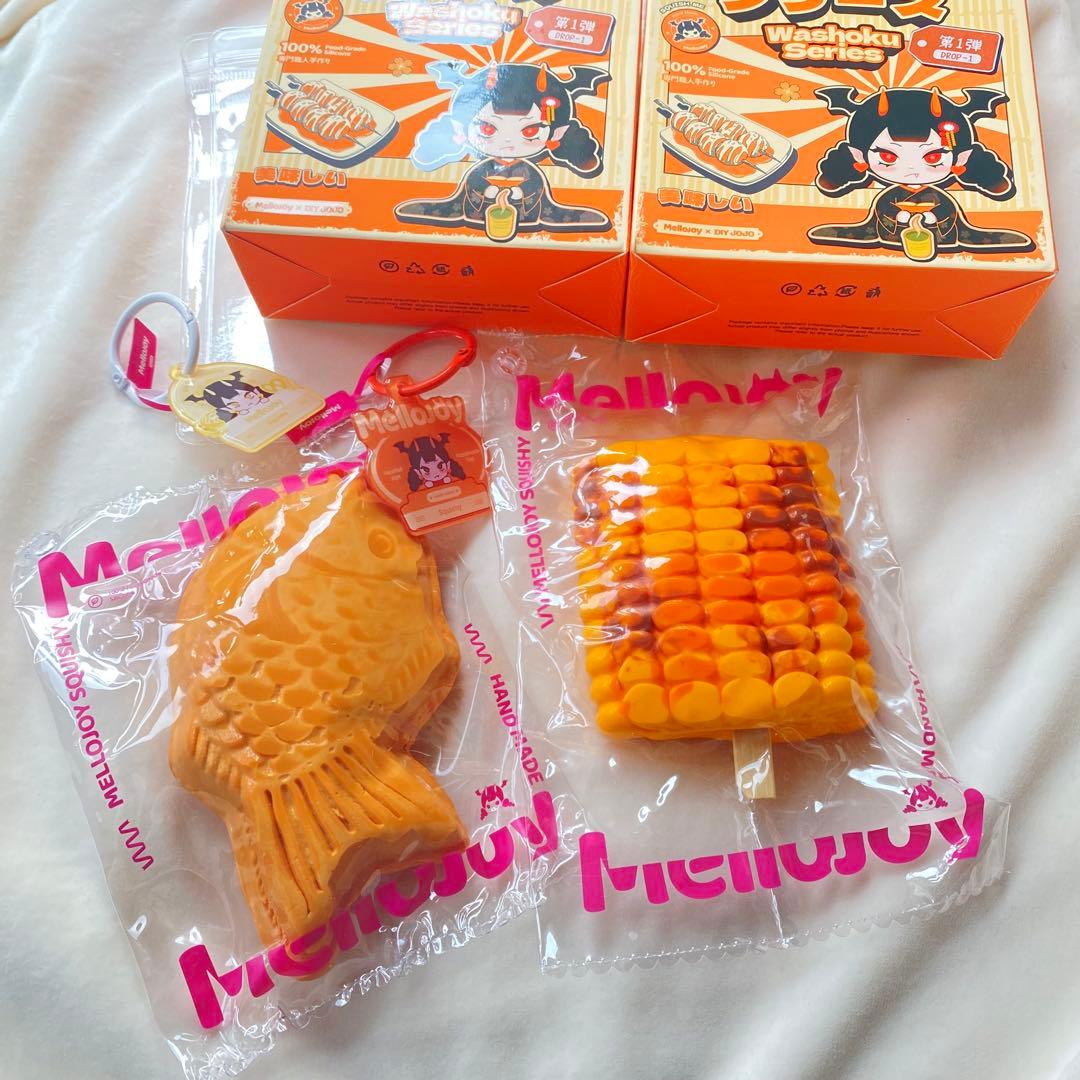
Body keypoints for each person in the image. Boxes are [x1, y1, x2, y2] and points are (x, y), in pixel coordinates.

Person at [395, 61, 612, 240]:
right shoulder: (478, 170)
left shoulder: (533, 174)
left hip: (530, 226)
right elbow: (462, 200)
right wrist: (485, 195)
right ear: (461, 127)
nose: (508, 141)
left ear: (557, 133)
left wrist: (519, 195)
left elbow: (544, 206)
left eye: (530, 131)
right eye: (487, 128)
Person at [808, 86, 1034, 258]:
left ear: (961, 157)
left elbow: (952, 221)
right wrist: (897, 218)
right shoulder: (887, 198)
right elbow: (874, 225)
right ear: (859, 156)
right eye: (888, 157)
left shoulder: (941, 198)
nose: (911, 169)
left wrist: (932, 218)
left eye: (933, 157)